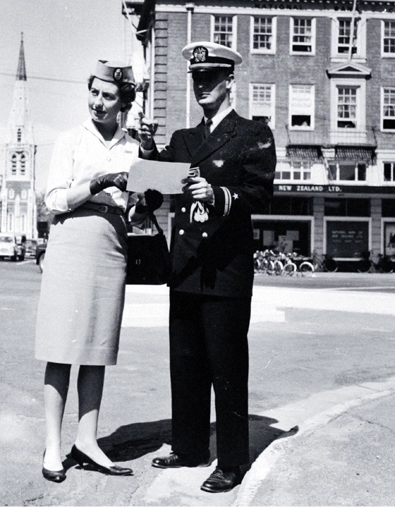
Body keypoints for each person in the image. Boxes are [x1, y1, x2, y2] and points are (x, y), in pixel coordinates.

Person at [139, 41, 276, 493]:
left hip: (226, 269)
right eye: (197, 79)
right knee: (187, 362)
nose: (202, 86)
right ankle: (190, 445)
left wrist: (219, 197)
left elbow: (260, 195)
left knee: (227, 366)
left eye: (211, 78)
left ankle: (233, 459)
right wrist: (145, 157)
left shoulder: (252, 134)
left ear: (229, 81)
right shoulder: (183, 140)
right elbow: (155, 192)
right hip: (185, 267)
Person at [35, 60, 157, 483]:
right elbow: (52, 198)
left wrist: (147, 190)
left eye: (108, 96)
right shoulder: (70, 140)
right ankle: (54, 444)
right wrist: (98, 181)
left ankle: (87, 440)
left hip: (111, 246)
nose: (98, 103)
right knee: (61, 347)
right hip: (71, 241)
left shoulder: (134, 144)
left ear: (124, 101)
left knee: (96, 346)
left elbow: (144, 203)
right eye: (94, 94)